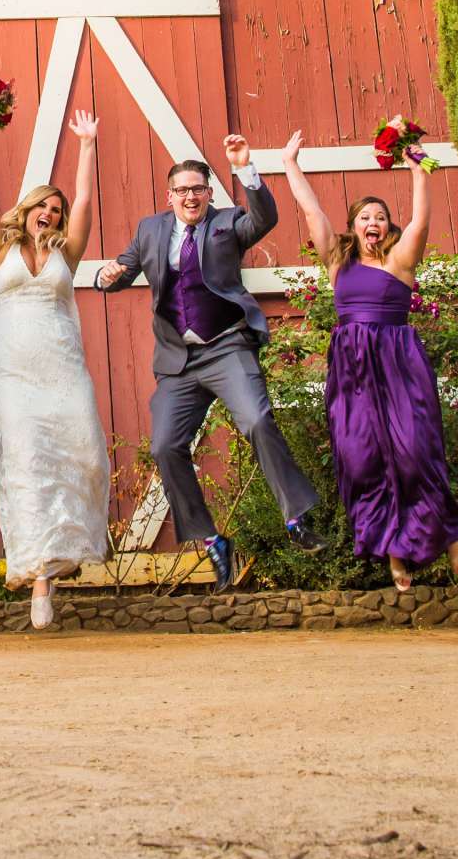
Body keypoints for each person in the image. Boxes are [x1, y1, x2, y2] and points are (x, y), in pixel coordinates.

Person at [94, 137, 323, 590]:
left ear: (209, 193)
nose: (190, 197)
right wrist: (105, 277)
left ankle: (295, 517)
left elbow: (265, 219)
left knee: (256, 419)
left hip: (225, 348)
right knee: (164, 446)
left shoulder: (228, 224)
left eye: (197, 189)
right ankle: (210, 541)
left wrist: (246, 170)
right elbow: (122, 270)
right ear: (169, 196)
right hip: (178, 361)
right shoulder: (150, 230)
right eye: (181, 190)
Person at [276, 131, 458, 592]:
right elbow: (312, 212)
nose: (373, 222)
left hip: (399, 366)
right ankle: (394, 549)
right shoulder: (338, 262)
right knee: (363, 460)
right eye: (365, 217)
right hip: (352, 370)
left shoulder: (400, 261)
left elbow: (421, 221)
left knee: (413, 454)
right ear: (354, 226)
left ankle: (451, 535)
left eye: (380, 217)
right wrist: (289, 164)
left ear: (388, 227)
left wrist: (418, 169)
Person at [0, 110, 109, 629]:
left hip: (62, 363)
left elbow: (87, 203)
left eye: (55, 209)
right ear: (25, 211)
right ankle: (38, 577)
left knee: (84, 453)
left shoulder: (66, 254)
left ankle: (67, 547)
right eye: (41, 207)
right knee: (28, 461)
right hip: (15, 368)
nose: (48, 214)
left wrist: (88, 146)